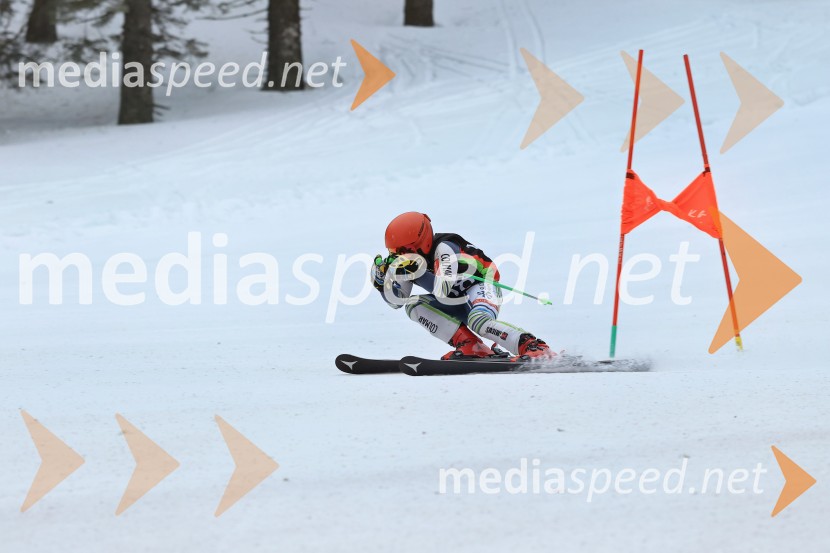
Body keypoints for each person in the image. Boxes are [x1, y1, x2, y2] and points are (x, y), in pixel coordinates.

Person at [371, 211, 553, 360]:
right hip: (455, 300)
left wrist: (417, 272)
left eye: (404, 251)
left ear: (420, 243)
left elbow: (443, 291)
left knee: (478, 321)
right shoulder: (409, 261)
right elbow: (397, 301)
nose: (400, 256)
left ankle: (532, 345)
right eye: (394, 252)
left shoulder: (445, 248)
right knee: (413, 305)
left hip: (481, 287)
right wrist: (382, 284)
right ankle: (472, 346)